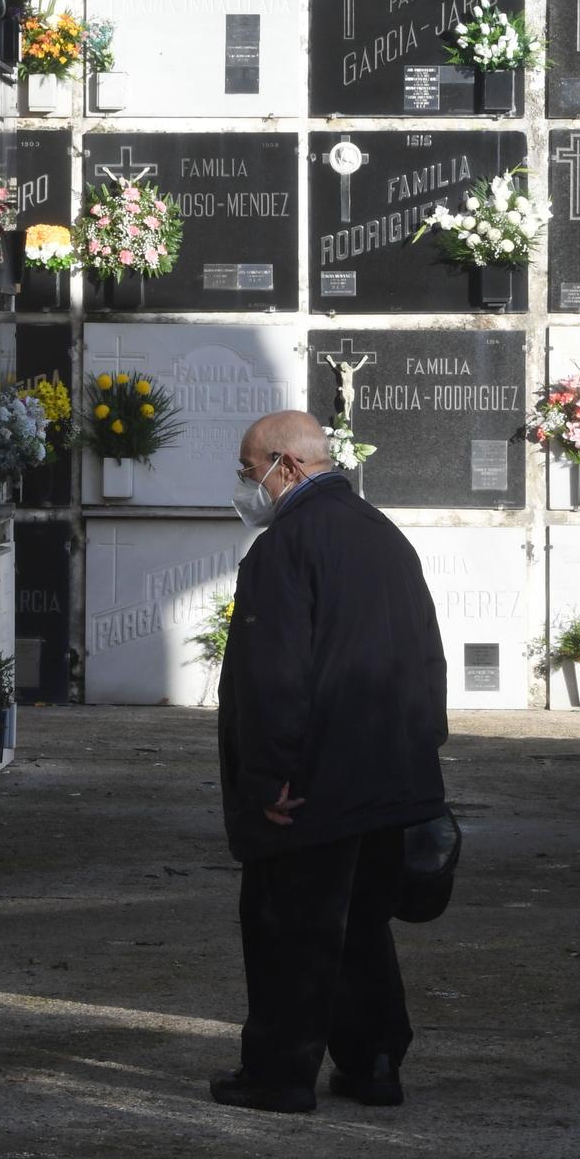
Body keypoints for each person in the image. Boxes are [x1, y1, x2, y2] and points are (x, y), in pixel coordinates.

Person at [211, 409, 448, 1116]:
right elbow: (426, 657)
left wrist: (268, 777)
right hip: (390, 777)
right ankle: (374, 1064)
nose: (247, 485)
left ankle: (280, 1076)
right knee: (363, 927)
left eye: (249, 470)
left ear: (285, 466)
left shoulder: (285, 545)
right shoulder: (383, 534)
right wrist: (419, 759)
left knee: (292, 928)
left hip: (313, 785)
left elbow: (274, 675)